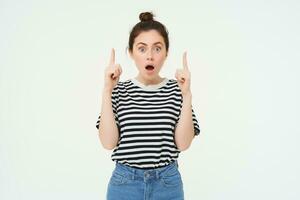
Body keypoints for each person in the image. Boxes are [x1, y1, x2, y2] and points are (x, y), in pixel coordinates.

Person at [96, 11, 200, 200]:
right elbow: (108, 143)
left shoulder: (177, 90)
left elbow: (183, 144)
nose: (150, 56)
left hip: (167, 185)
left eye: (157, 48)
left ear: (166, 53)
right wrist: (106, 91)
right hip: (124, 184)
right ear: (131, 52)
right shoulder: (119, 91)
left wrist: (187, 95)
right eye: (142, 49)